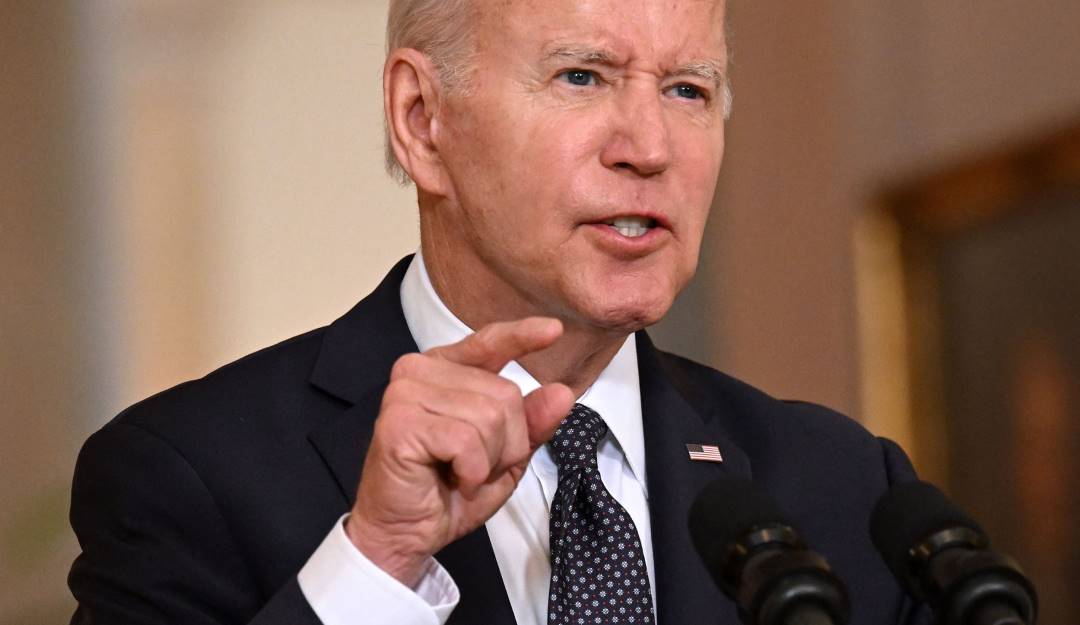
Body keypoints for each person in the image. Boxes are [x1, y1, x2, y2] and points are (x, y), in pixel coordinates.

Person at [68, 0, 928, 624]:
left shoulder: (849, 490)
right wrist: (377, 561)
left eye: (687, 90)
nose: (649, 148)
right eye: (582, 76)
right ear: (421, 120)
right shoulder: (187, 477)